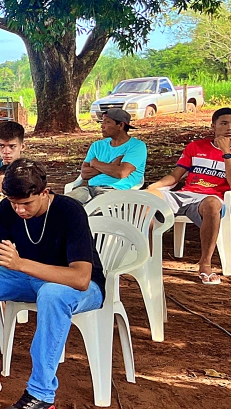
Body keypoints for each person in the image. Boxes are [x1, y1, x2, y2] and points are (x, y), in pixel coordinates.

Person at [0, 159, 104, 409]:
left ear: (44, 192)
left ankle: (41, 396)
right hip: (29, 280)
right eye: (14, 203)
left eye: (27, 204)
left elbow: (81, 278)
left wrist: (19, 263)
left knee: (53, 294)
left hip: (81, 288)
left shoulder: (70, 211)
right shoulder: (8, 209)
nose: (20, 210)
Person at [146, 106, 231, 285]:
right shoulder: (196, 146)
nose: (229, 127)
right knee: (147, 200)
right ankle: (149, 259)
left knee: (212, 204)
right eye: (224, 123)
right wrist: (153, 187)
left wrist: (226, 154)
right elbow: (175, 177)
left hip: (211, 199)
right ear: (213, 126)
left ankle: (205, 263)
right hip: (184, 194)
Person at [66, 108, 147, 203]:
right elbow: (84, 174)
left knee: (91, 213)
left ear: (120, 125)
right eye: (102, 122)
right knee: (62, 206)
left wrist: (95, 163)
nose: (102, 126)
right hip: (90, 189)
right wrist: (112, 166)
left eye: (107, 122)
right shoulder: (97, 145)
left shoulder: (137, 146)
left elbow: (121, 173)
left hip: (116, 191)